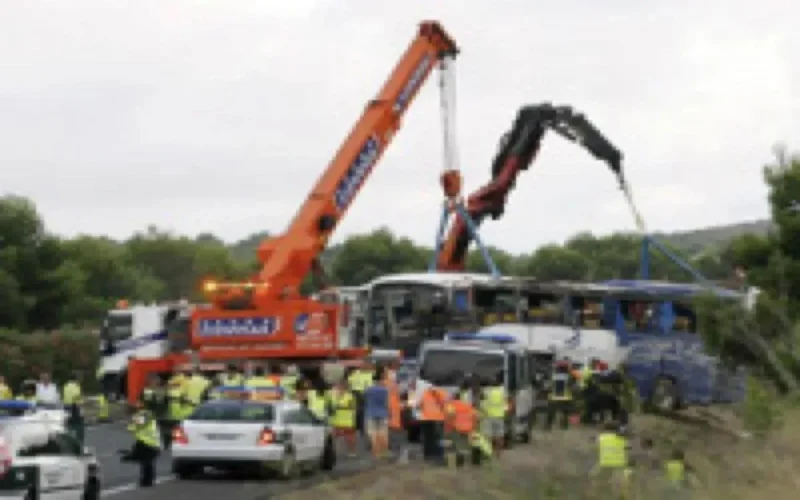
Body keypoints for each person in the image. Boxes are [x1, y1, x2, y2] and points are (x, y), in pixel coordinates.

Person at [120, 401, 161, 487]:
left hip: (148, 442)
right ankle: (148, 479)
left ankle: (147, 480)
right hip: (150, 442)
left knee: (146, 461)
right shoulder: (144, 414)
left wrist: (130, 422)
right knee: (147, 462)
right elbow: (133, 427)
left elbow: (135, 426)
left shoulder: (143, 415)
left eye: (128, 411)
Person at [417, 383, 449, 463]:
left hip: (426, 418)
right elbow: (444, 404)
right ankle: (438, 456)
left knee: (428, 438)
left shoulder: (424, 393)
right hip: (437, 418)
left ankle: (428, 456)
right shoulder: (442, 392)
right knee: (437, 437)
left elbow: (420, 405)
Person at [362, 366, 390, 459]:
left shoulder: (368, 389)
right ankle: (383, 451)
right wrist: (389, 412)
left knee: (373, 434)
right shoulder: (385, 390)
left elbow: (364, 399)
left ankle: (376, 452)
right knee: (383, 433)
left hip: (370, 413)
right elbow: (387, 403)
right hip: (383, 413)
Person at [480, 373, 507, 456]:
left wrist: (483, 411)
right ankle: (498, 452)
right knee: (500, 435)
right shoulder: (503, 390)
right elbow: (506, 403)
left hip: (489, 416)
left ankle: (490, 451)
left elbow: (482, 404)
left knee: (488, 435)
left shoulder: (486, 391)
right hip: (500, 416)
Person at [545, 360, 578, 430]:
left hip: (555, 396)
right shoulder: (570, 376)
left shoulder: (554, 375)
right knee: (565, 411)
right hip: (566, 396)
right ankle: (564, 425)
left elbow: (549, 386)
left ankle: (548, 425)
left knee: (551, 410)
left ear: (558, 368)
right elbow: (573, 386)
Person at [329, 379, 357, 456]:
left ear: (344, 388)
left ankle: (352, 451)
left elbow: (353, 407)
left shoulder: (350, 396)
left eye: (339, 387)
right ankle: (332, 451)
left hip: (347, 420)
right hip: (336, 420)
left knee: (350, 438)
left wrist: (340, 407)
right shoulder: (333, 396)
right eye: (337, 387)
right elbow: (330, 406)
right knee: (333, 437)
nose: (338, 389)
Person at [62, 372, 85, 445]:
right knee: (79, 427)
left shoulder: (65, 386)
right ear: (75, 379)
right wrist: (82, 403)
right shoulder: (76, 386)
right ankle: (79, 443)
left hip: (66, 407)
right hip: (75, 407)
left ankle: (68, 442)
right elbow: (76, 397)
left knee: (69, 426)